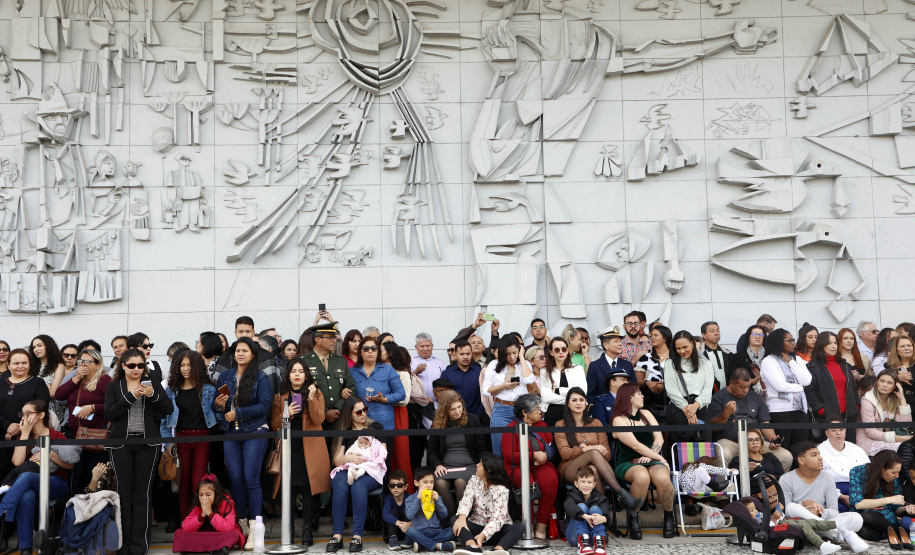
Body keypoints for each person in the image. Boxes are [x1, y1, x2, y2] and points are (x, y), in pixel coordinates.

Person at [105, 347, 174, 555]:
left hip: (148, 444)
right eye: (132, 365)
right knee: (124, 493)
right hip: (121, 445)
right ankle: (123, 544)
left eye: (140, 365)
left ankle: (139, 545)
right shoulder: (114, 386)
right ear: (123, 366)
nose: (136, 369)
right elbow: (109, 413)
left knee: (142, 493)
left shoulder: (151, 384)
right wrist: (129, 397)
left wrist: (153, 395)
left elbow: (168, 409)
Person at [213, 336, 272, 549]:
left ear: (253, 354)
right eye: (237, 350)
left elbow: (264, 406)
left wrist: (237, 413)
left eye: (245, 350)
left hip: (254, 430)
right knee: (236, 479)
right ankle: (242, 528)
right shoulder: (226, 377)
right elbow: (218, 406)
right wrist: (219, 405)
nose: (240, 354)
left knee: (251, 479)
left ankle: (257, 532)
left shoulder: (261, 377)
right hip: (231, 433)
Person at [0, 400, 79, 555]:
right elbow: (17, 462)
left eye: (28, 413)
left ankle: (3, 509)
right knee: (26, 497)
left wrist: (49, 454)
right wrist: (24, 433)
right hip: (29, 485)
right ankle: (26, 549)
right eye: (22, 413)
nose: (24, 416)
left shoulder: (56, 435)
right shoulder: (25, 436)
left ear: (42, 415)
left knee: (27, 476)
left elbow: (70, 465)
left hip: (56, 482)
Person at [270, 358, 330, 545]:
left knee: (308, 490)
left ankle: (307, 531)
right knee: (288, 489)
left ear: (306, 375)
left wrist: (311, 398)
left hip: (310, 449)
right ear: (288, 375)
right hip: (289, 449)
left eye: (301, 371)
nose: (297, 374)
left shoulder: (316, 392)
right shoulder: (280, 397)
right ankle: (288, 531)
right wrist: (288, 413)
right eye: (293, 371)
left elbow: (319, 419)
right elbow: (274, 424)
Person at [555, 388, 642, 513]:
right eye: (574, 400)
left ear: (586, 403)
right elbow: (565, 453)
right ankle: (622, 495)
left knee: (594, 469)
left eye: (581, 400)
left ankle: (601, 513)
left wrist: (591, 451)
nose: (578, 403)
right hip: (570, 468)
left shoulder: (596, 423)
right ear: (568, 404)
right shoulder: (561, 424)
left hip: (596, 468)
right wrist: (588, 449)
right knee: (594, 453)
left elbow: (607, 454)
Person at [610, 383, 675, 539]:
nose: (643, 396)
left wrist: (652, 455)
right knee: (642, 476)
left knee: (662, 478)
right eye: (639, 393)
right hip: (628, 461)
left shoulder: (646, 414)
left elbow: (658, 436)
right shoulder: (618, 420)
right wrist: (658, 457)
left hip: (650, 457)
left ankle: (669, 518)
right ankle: (634, 519)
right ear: (629, 398)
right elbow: (634, 445)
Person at [779, 442, 868, 552]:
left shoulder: (828, 478)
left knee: (857, 518)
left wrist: (819, 513)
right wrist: (804, 505)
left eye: (819, 454)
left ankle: (830, 531)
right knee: (791, 507)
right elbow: (786, 512)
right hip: (801, 524)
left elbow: (834, 510)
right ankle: (844, 534)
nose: (820, 458)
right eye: (814, 455)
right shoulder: (786, 479)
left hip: (822, 519)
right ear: (801, 460)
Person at [161, 351, 218, 520]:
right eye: (182, 365)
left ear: (198, 367)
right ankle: (185, 522)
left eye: (189, 365)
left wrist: (221, 406)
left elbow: (218, 416)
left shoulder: (209, 389)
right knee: (183, 485)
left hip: (203, 439)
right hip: (181, 439)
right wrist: (168, 443)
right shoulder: (172, 391)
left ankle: (199, 520)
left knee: (197, 484)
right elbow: (164, 422)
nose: (185, 369)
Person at [328, 397, 385, 553]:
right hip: (347, 467)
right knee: (339, 484)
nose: (363, 414)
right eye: (358, 412)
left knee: (358, 487)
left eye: (364, 409)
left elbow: (383, 454)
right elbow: (337, 460)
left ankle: (357, 536)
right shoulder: (345, 432)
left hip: (370, 469)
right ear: (349, 414)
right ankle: (337, 535)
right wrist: (349, 458)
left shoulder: (375, 428)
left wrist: (364, 460)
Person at [500, 394, 559, 540]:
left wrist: (543, 456)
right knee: (527, 484)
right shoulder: (510, 428)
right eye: (536, 409)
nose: (540, 412)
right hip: (517, 466)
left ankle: (542, 526)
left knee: (551, 479)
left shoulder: (542, 426)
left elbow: (550, 446)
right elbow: (508, 456)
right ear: (525, 412)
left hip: (540, 464)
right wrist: (533, 455)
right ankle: (528, 526)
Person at [54, 348, 112, 496]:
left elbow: (112, 406)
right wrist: (76, 378)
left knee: (95, 481)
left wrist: (93, 408)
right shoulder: (76, 380)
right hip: (75, 438)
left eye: (88, 362)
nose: (83, 365)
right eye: (81, 362)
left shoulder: (104, 380)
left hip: (95, 439)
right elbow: (59, 395)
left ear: (98, 365)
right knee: (77, 480)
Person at [709, 368, 791, 471]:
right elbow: (714, 428)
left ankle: (773, 485)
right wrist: (725, 414)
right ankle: (726, 486)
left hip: (756, 441)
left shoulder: (755, 397)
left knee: (786, 456)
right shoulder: (719, 397)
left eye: (748, 386)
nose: (745, 390)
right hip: (731, 442)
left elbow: (764, 422)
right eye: (741, 387)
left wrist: (773, 440)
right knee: (723, 453)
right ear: (731, 384)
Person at [428, 390, 489, 516]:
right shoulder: (438, 423)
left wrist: (483, 463)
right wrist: (437, 465)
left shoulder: (473, 419)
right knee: (439, 483)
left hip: (469, 464)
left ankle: (463, 521)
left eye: (459, 407)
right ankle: (452, 521)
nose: (457, 411)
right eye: (452, 409)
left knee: (460, 482)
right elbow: (432, 451)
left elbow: (481, 447)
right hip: (446, 466)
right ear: (445, 410)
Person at [451, 453, 522, 555]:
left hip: (495, 531)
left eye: (480, 464)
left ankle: (497, 550)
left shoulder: (502, 490)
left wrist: (483, 535)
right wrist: (462, 518)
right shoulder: (474, 481)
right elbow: (466, 500)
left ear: (488, 469)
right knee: (455, 520)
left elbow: (497, 519)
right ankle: (473, 548)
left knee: (519, 528)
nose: (477, 465)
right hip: (477, 527)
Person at [0, 349, 51, 480]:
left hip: (28, 436)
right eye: (16, 363)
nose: (20, 366)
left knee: (18, 477)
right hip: (1, 435)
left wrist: (19, 427)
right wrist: (7, 425)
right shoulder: (1, 382)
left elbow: (41, 408)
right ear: (8, 365)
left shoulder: (38, 383)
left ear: (29, 364)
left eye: (24, 362)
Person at [482, 336, 535, 455]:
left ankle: (520, 473)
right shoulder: (493, 364)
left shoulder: (524, 363)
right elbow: (486, 390)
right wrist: (503, 386)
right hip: (501, 409)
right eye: (508, 354)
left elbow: (529, 379)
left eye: (514, 353)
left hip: (522, 410)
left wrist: (521, 357)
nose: (511, 357)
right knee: (500, 447)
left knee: (523, 447)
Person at [301, 321, 355, 434]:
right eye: (330, 337)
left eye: (334, 337)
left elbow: (351, 387)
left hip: (338, 419)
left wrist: (337, 409)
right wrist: (325, 412)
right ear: (318, 340)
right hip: (315, 420)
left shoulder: (340, 361)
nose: (334, 340)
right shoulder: (304, 361)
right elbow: (302, 390)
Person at [761, 328, 812, 448]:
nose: (793, 343)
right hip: (780, 411)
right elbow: (780, 386)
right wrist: (801, 387)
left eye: (793, 340)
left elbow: (807, 380)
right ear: (778, 341)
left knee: (801, 447)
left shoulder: (797, 359)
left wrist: (790, 361)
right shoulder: (768, 361)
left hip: (801, 410)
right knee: (785, 447)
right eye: (789, 340)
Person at [849, 450, 913, 544]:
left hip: (885, 519)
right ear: (882, 468)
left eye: (898, 472)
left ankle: (895, 534)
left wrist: (905, 508)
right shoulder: (856, 472)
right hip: (863, 518)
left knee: (868, 515)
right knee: (860, 527)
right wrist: (888, 500)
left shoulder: (892, 479)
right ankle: (898, 535)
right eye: (894, 472)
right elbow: (858, 504)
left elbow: (896, 509)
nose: (897, 476)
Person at [173, 474, 246, 555]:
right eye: (201, 495)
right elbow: (185, 527)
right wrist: (202, 515)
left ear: (216, 494)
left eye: (208, 495)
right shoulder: (198, 504)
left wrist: (210, 514)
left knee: (233, 534)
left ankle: (192, 547)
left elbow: (228, 527)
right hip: (204, 533)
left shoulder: (227, 502)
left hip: (220, 534)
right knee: (178, 533)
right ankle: (217, 548)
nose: (204, 498)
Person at [741, 498, 843, 555]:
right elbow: (767, 529)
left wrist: (779, 512)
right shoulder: (756, 521)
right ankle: (822, 545)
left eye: (755, 508)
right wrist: (774, 519)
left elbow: (777, 518)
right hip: (778, 527)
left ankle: (837, 524)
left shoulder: (761, 515)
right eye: (752, 510)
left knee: (811, 522)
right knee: (804, 525)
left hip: (782, 521)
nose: (756, 511)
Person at [664, 330, 714, 443]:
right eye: (678, 348)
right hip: (678, 408)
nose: (682, 351)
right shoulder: (670, 363)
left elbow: (708, 389)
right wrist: (687, 409)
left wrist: (695, 406)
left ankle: (703, 462)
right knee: (682, 447)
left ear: (693, 343)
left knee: (704, 444)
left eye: (685, 347)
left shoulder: (706, 364)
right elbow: (671, 390)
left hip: (700, 407)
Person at [351, 336, 406, 433]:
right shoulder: (352, 371)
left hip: (384, 423)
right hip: (359, 424)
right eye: (366, 349)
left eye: (374, 348)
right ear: (361, 352)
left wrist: (385, 399)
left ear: (378, 352)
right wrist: (343, 391)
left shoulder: (388, 370)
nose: (370, 351)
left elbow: (401, 393)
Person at [806, 332, 860, 424]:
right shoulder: (813, 367)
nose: (833, 346)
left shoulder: (845, 365)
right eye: (829, 343)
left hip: (849, 416)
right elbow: (810, 391)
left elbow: (854, 387)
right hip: (827, 418)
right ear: (821, 345)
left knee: (849, 439)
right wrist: (821, 410)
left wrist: (856, 406)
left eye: (835, 343)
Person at [819, 416, 870, 510]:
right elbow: (818, 481)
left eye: (841, 429)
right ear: (827, 433)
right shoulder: (819, 451)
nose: (838, 433)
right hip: (831, 491)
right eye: (834, 430)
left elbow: (868, 472)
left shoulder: (857, 449)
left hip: (859, 489)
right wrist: (840, 496)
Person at [858, 369, 912, 455]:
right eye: (882, 381)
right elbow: (871, 432)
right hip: (870, 442)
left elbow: (905, 425)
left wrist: (902, 398)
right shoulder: (867, 400)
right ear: (877, 382)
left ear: (895, 386)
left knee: (907, 447)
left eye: (890, 383)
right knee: (904, 447)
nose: (885, 385)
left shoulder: (894, 400)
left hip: (891, 441)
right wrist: (898, 438)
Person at [404, 468, 455, 552]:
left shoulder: (436, 497)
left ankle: (422, 545)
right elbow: (409, 515)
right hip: (420, 532)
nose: (429, 485)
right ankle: (438, 545)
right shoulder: (410, 499)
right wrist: (418, 498)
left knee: (452, 531)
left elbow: (444, 515)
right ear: (416, 483)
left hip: (436, 532)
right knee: (410, 531)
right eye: (425, 482)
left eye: (431, 482)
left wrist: (438, 501)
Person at [540, 337, 587, 425]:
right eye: (557, 350)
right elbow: (546, 396)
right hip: (553, 412)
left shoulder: (578, 369)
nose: (561, 352)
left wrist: (558, 390)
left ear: (567, 351)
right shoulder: (545, 371)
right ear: (551, 352)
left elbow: (582, 392)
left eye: (564, 349)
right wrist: (571, 399)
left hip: (575, 412)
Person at [564, 466, 610, 555]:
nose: (586, 485)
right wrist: (584, 516)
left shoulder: (600, 498)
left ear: (594, 484)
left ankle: (599, 541)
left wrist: (603, 518)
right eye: (582, 482)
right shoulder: (571, 496)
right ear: (576, 484)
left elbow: (608, 515)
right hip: (575, 537)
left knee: (595, 509)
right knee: (581, 506)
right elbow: (569, 506)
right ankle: (583, 543)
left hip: (593, 536)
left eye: (589, 482)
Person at [586, 326, 636, 407]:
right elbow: (591, 394)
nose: (620, 344)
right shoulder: (595, 366)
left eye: (620, 341)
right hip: (603, 411)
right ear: (606, 345)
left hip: (625, 409)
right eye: (616, 341)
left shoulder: (627, 365)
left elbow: (634, 390)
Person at [634, 325, 671, 424]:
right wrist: (647, 382)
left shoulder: (676, 358)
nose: (652, 338)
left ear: (665, 338)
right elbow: (636, 379)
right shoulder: (645, 357)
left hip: (673, 402)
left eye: (656, 335)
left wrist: (666, 384)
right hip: (650, 403)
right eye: (651, 336)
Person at [441, 341, 485, 422]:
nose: (465, 357)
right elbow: (444, 398)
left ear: (471, 354)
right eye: (462, 354)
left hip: (476, 418)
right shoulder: (447, 373)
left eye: (468, 354)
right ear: (455, 355)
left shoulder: (480, 372)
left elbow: (484, 396)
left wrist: (477, 416)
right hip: (453, 418)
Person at [30, 334, 67, 425]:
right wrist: (46, 387)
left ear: (49, 346)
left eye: (39, 345)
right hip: (32, 409)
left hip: (50, 411)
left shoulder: (59, 365)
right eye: (34, 347)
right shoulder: (31, 366)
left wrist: (36, 388)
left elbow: (53, 393)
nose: (36, 349)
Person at [730, 324, 767, 393]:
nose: (758, 337)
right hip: (746, 395)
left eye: (761, 335)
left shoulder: (769, 357)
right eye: (754, 334)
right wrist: (749, 382)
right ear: (748, 337)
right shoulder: (738, 357)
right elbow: (732, 380)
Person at [383, 470, 412, 550]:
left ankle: (409, 537)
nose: (396, 488)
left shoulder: (410, 498)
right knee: (392, 512)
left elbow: (418, 515)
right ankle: (393, 538)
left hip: (408, 529)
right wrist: (399, 523)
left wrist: (410, 524)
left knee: (408, 510)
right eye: (392, 485)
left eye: (399, 485)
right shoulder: (389, 498)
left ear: (405, 486)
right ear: (389, 487)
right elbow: (385, 515)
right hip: (395, 529)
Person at [412, 333, 446, 402]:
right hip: (416, 404)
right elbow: (405, 381)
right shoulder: (410, 361)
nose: (425, 349)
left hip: (436, 403)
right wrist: (416, 372)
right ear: (416, 347)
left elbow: (445, 382)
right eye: (422, 346)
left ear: (432, 346)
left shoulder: (440, 362)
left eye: (428, 346)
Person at [701, 321, 732, 390]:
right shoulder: (700, 355)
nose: (716, 333)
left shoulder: (727, 354)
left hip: (726, 394)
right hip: (707, 396)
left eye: (718, 330)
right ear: (704, 335)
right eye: (712, 331)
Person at [887, 336, 915, 407]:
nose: (906, 348)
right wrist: (897, 378)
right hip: (898, 404)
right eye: (902, 346)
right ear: (896, 349)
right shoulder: (889, 367)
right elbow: (883, 385)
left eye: (909, 345)